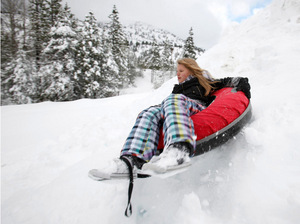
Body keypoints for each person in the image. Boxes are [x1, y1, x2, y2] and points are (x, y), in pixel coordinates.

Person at [89, 58, 251, 179]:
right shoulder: (177, 88)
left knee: (174, 99)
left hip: (197, 108)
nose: (177, 74)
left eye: (181, 70)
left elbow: (231, 82)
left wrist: (242, 84)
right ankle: (130, 161)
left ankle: (179, 150)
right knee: (149, 112)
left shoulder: (203, 81)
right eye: (177, 71)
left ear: (192, 70)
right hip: (178, 109)